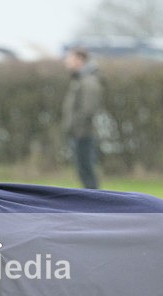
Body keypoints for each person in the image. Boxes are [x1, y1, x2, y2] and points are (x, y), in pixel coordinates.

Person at [61, 46, 103, 189]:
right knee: (83, 172)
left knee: (87, 172)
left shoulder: (88, 80)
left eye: (69, 58)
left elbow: (89, 109)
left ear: (80, 59)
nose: (66, 61)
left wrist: (76, 128)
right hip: (78, 133)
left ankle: (96, 205)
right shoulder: (79, 79)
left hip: (84, 134)